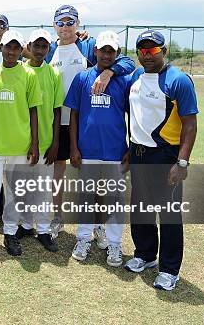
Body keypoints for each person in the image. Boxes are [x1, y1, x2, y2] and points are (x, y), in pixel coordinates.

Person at [47, 4, 135, 239]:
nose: (65, 27)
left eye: (70, 22)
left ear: (78, 24)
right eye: (60, 22)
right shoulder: (49, 49)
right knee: (57, 172)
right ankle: (57, 218)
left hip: (82, 119)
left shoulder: (88, 45)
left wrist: (108, 72)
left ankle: (97, 225)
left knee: (95, 178)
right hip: (56, 120)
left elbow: (127, 62)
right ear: (54, 25)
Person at [124, 30, 198, 291]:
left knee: (168, 215)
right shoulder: (135, 76)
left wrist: (182, 162)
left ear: (163, 52)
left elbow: (190, 125)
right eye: (142, 51)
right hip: (138, 153)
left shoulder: (178, 80)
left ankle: (169, 269)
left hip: (166, 156)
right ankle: (145, 255)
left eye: (153, 50)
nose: (148, 55)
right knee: (140, 209)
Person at [63, 31, 130, 266]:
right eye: (102, 50)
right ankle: (83, 238)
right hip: (87, 150)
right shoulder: (82, 79)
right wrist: (73, 147)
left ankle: (114, 244)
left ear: (117, 53)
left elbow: (134, 116)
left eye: (111, 50)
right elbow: (74, 114)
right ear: (95, 51)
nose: (106, 54)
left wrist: (129, 147)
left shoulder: (124, 81)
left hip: (115, 151)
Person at [0, 30, 42, 256]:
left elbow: (34, 111)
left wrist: (34, 143)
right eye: (8, 47)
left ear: (21, 49)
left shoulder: (29, 75)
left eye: (16, 47)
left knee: (15, 193)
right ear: (1, 48)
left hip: (20, 145)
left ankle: (11, 233)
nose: (12, 51)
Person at [19, 28, 63, 252]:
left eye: (44, 46)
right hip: (21, 142)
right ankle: (26, 225)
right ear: (28, 47)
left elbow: (57, 111)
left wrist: (55, 142)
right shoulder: (20, 71)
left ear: (49, 49)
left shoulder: (53, 74)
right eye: (36, 45)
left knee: (44, 189)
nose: (39, 50)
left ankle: (43, 229)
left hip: (45, 141)